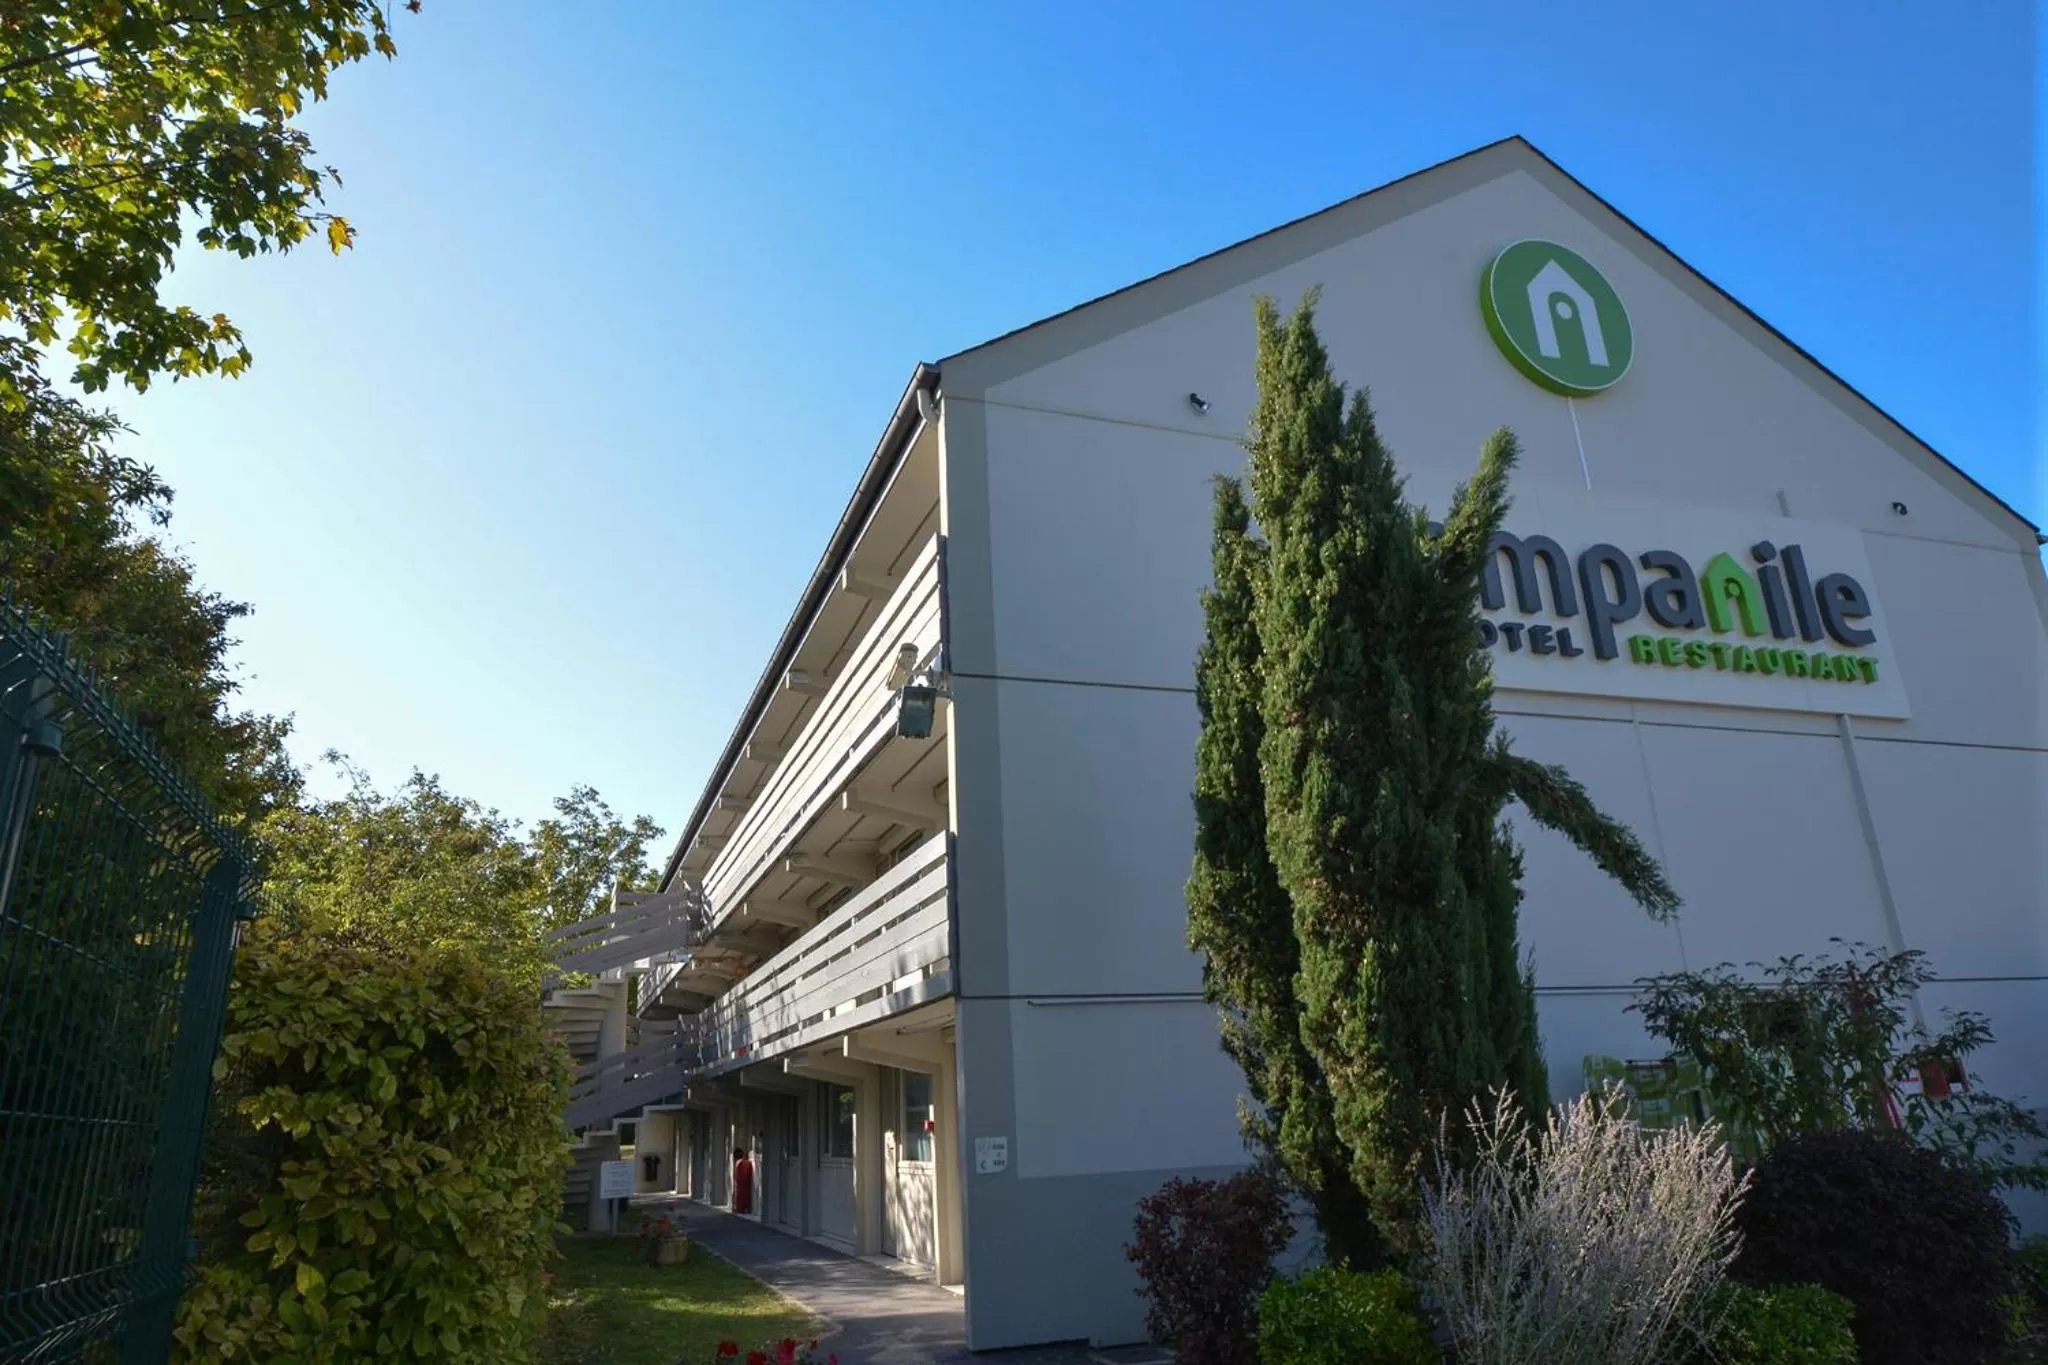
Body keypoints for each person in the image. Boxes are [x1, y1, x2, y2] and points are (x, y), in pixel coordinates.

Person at [733, 1146, 754, 1215]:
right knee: (745, 1195)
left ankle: (741, 1208)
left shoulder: (741, 1163)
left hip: (742, 1184)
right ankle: (743, 1208)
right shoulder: (747, 1163)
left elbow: (741, 1175)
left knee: (741, 1195)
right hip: (746, 1183)